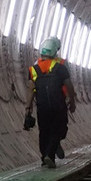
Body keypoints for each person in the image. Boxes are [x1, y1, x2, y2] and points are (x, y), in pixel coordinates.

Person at [25, 36, 76, 168]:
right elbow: (69, 86)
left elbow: (30, 89)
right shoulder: (61, 67)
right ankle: (50, 154)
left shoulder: (33, 69)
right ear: (55, 52)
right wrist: (72, 101)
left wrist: (28, 107)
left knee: (44, 131)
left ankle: (45, 157)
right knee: (58, 129)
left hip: (42, 105)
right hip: (58, 104)